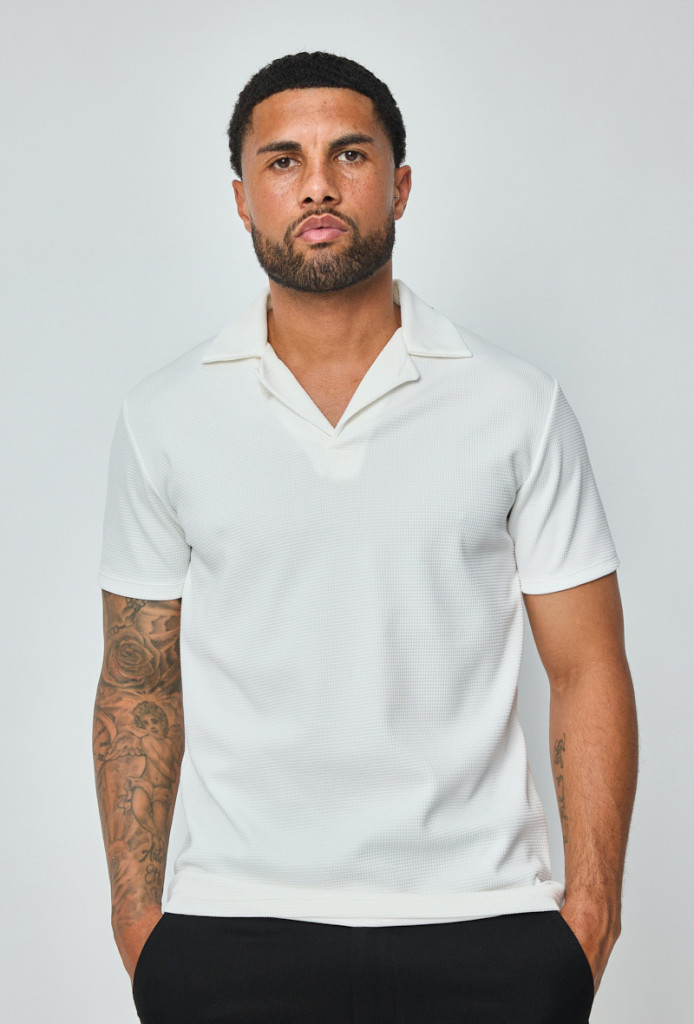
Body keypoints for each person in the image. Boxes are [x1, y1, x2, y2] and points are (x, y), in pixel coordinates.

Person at [93, 51, 638, 1024]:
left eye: (349, 154)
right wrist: (141, 924)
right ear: (241, 198)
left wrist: (589, 918)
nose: (317, 184)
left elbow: (588, 664)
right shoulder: (164, 417)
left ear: (400, 184)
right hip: (231, 926)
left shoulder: (517, 406)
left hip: (484, 923)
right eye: (282, 160)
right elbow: (139, 679)